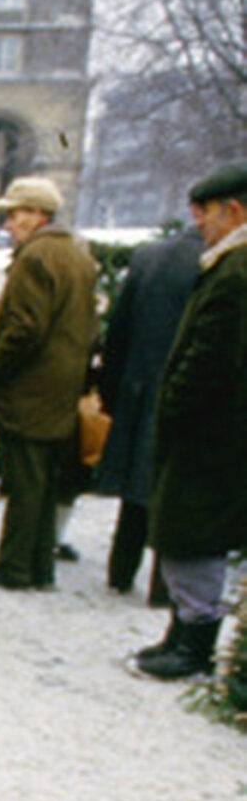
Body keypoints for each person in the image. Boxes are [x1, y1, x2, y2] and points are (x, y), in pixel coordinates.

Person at [132, 159, 247, 679]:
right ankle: (182, 634)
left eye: (205, 214)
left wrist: (173, 407)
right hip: (212, 432)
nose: (198, 224)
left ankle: (193, 645)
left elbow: (210, 359)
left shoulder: (236, 271)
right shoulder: (227, 265)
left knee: (192, 535)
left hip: (209, 435)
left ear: (235, 210)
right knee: (186, 534)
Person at [0, 176, 98, 591]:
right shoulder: (77, 255)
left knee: (24, 480)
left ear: (40, 214)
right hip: (60, 387)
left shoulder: (35, 257)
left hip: (30, 387)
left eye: (16, 213)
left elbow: (24, 328)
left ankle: (15, 567)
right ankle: (40, 566)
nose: (9, 222)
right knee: (43, 481)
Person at [95, 217, 205, 596]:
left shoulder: (149, 257)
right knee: (175, 490)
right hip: (192, 392)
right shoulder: (222, 261)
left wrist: (112, 391)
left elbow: (118, 331)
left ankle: (121, 571)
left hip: (140, 388)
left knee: (136, 491)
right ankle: (163, 586)